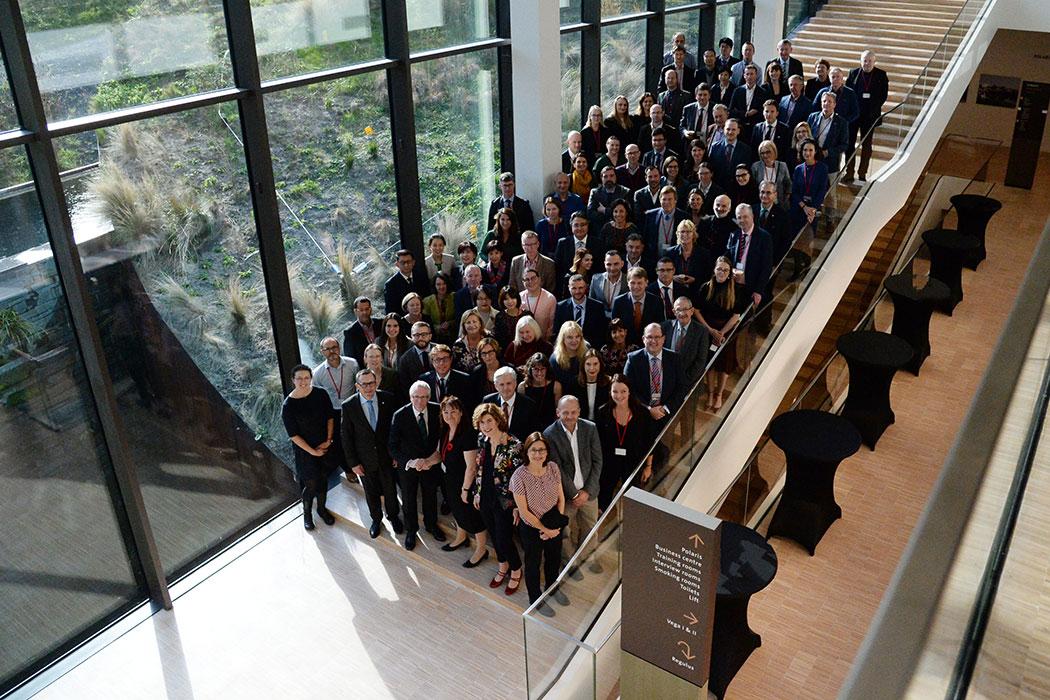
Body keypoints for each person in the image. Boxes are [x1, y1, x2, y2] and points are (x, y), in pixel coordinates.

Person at [542, 396, 603, 576]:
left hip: (589, 491)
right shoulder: (549, 434)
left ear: (579, 412)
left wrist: (587, 491)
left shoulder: (590, 428)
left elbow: (598, 460)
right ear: (558, 412)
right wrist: (575, 495)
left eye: (573, 412)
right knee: (565, 531)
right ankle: (570, 563)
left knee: (590, 527)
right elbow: (557, 468)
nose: (570, 416)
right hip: (566, 495)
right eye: (565, 412)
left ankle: (588, 557)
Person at [510, 432, 566, 613]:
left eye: (542, 450)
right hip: (532, 525)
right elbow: (524, 511)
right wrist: (544, 530)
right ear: (526, 452)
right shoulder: (519, 476)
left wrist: (556, 525)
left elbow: (561, 497)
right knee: (533, 563)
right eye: (534, 450)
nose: (538, 454)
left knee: (554, 558)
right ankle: (535, 598)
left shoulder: (552, 468)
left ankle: (552, 588)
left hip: (552, 520)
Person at [342, 368, 401, 538]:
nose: (368, 387)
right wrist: (353, 463)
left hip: (387, 457)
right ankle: (376, 519)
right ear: (357, 386)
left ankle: (394, 516)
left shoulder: (388, 399)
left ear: (376, 383)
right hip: (364, 460)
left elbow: (395, 430)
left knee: (390, 490)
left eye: (371, 383)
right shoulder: (349, 406)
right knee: (370, 491)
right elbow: (346, 437)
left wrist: (395, 454)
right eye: (364, 384)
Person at [471, 402, 523, 595]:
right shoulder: (482, 439)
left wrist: (517, 506)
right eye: (482, 422)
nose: (486, 426)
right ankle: (503, 565)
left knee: (504, 538)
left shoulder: (514, 445)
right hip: (485, 496)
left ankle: (516, 568)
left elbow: (518, 479)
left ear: (498, 420)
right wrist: (477, 492)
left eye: (489, 421)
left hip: (505, 501)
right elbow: (479, 469)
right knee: (494, 535)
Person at [388, 381, 445, 550]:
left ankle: (431, 525)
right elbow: (392, 446)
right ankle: (412, 530)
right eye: (416, 397)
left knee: (430, 496)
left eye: (424, 397)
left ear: (429, 397)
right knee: (408, 498)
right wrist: (411, 462)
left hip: (430, 464)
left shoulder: (437, 410)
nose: (420, 401)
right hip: (408, 467)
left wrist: (430, 460)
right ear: (410, 397)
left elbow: (442, 437)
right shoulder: (400, 415)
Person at [433, 396, 489, 566]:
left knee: (472, 515)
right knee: (457, 510)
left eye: (453, 411)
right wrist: (426, 462)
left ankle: (481, 549)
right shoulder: (446, 430)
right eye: (445, 411)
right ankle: (461, 537)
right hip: (449, 478)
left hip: (466, 482)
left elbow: (471, 467)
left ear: (461, 413)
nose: (449, 415)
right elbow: (440, 454)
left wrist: (465, 490)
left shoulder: (467, 434)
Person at [282, 364, 337, 531]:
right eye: (299, 378)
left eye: (306, 378)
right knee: (311, 484)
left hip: (324, 446)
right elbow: (294, 436)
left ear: (311, 378)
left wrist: (328, 440)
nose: (303, 381)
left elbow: (330, 417)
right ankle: (307, 514)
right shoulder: (288, 406)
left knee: (323, 480)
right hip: (305, 452)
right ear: (293, 380)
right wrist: (314, 451)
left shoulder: (320, 394)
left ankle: (321, 509)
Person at [595, 374, 654, 511]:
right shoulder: (603, 412)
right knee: (604, 497)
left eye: (623, 391)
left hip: (634, 461)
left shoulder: (642, 413)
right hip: (609, 462)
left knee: (634, 500)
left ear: (629, 392)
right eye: (615, 391)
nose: (619, 395)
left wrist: (648, 466)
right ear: (610, 392)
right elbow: (598, 441)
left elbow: (649, 441)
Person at [694, 256, 745, 409]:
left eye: (725, 270)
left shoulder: (736, 289)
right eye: (719, 269)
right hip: (708, 329)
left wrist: (721, 333)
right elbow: (696, 310)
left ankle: (719, 394)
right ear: (714, 270)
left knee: (724, 365)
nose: (721, 272)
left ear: (729, 272)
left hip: (726, 330)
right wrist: (710, 330)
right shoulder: (705, 287)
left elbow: (736, 315)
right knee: (711, 363)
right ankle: (710, 393)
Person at [312, 336, 359, 479]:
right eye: (327, 349)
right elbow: (318, 398)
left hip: (352, 408)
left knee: (357, 438)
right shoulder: (318, 373)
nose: (332, 352)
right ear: (322, 352)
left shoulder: (352, 364)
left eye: (334, 347)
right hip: (333, 412)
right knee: (339, 443)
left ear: (339, 348)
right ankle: (348, 470)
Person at [623, 323, 686, 427]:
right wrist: (648, 409)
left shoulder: (675, 358)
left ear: (663, 339)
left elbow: (681, 387)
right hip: (640, 414)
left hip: (666, 415)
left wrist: (665, 408)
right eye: (649, 337)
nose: (653, 341)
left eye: (657, 337)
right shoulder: (633, 359)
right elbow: (628, 389)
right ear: (643, 339)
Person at [846, 50, 889, 182]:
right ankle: (849, 172)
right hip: (854, 116)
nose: (867, 63)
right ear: (861, 61)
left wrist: (872, 109)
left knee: (867, 145)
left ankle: (862, 173)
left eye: (870, 60)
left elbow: (883, 96)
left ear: (874, 62)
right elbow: (848, 92)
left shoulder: (881, 75)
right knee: (850, 145)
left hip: (870, 116)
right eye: (865, 60)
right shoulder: (853, 73)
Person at [725, 203, 773, 308]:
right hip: (734, 284)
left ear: (752, 217)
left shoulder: (764, 237)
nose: (742, 220)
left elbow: (766, 267)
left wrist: (758, 291)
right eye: (739, 217)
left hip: (751, 285)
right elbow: (727, 257)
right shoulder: (734, 235)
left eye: (745, 217)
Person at [662, 296, 709, 388]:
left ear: (691, 311)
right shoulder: (665, 326)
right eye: (678, 310)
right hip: (665, 379)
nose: (682, 313)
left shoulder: (701, 331)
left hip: (688, 382)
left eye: (685, 309)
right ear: (674, 312)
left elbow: (701, 360)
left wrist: (686, 379)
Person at [484, 365, 538, 441]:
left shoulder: (529, 405)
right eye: (501, 384)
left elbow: (532, 434)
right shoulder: (488, 401)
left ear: (515, 383)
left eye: (509, 383)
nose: (505, 388)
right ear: (496, 386)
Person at [612, 266, 663, 345]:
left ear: (646, 283)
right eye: (632, 283)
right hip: (626, 346)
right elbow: (615, 328)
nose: (636, 287)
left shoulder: (656, 302)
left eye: (639, 283)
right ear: (628, 283)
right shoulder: (619, 302)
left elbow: (660, 327)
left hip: (649, 346)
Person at [555, 273, 608, 348]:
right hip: (567, 350)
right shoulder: (561, 307)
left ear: (586, 287)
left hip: (590, 350)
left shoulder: (597, 307)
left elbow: (601, 333)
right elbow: (557, 332)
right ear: (569, 288)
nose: (577, 292)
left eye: (580, 288)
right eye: (574, 288)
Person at [790, 138, 830, 235]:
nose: (807, 153)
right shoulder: (798, 169)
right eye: (805, 150)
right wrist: (804, 207)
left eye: (810, 150)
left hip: (813, 209)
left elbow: (822, 191)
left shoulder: (822, 168)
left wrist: (812, 209)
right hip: (799, 208)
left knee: (809, 238)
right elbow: (794, 192)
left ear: (815, 151)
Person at [420, 343, 473, 411]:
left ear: (451, 359)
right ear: (432, 362)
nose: (441, 363)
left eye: (445, 359)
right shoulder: (424, 380)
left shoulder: (464, 379)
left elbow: (468, 406)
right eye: (437, 360)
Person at [806, 91, 849, 172]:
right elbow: (806, 136)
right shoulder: (812, 117)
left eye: (830, 101)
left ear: (834, 104)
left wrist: (827, 152)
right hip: (811, 159)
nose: (826, 103)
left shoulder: (842, 122)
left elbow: (844, 145)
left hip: (830, 163)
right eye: (824, 101)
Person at [667, 219, 711, 296]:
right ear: (677, 234)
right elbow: (664, 272)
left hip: (697, 293)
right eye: (682, 232)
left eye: (688, 232)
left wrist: (695, 280)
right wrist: (673, 277)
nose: (685, 234)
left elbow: (708, 275)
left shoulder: (704, 254)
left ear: (694, 234)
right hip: (675, 293)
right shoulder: (670, 253)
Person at [642, 185, 688, 258]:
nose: (666, 202)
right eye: (664, 199)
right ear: (660, 200)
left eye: (670, 199)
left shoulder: (684, 217)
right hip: (654, 259)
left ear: (675, 200)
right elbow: (645, 239)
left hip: (675, 259)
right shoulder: (650, 215)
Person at [519, 352, 562, 427]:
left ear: (547, 369)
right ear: (530, 369)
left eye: (542, 369)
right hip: (529, 425)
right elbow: (521, 411)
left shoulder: (556, 386)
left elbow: (558, 411)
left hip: (549, 426)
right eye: (536, 369)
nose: (539, 373)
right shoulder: (522, 387)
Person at [730, 64, 769, 141]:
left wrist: (756, 112)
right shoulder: (737, 91)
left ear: (756, 75)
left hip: (755, 128)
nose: (749, 76)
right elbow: (731, 110)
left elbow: (764, 111)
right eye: (747, 74)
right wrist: (745, 113)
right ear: (744, 76)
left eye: (752, 74)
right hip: (739, 127)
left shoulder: (763, 92)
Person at [709, 118, 752, 188]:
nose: (730, 132)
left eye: (733, 129)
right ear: (723, 130)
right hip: (719, 188)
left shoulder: (746, 149)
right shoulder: (714, 147)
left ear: (738, 131)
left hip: (737, 189)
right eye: (728, 129)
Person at [383, 249, 429, 315]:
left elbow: (427, 299)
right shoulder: (390, 284)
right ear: (397, 264)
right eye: (402, 262)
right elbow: (391, 310)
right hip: (402, 321)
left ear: (413, 262)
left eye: (409, 261)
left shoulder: (422, 277)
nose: (406, 265)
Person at [815, 67, 860, 132]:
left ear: (842, 79)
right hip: (824, 125)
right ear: (829, 79)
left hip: (843, 128)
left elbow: (856, 112)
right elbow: (814, 109)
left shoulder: (850, 93)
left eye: (838, 77)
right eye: (833, 77)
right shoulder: (822, 92)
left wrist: (844, 122)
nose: (835, 79)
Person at [395, 321, 433, 398]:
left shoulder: (441, 352)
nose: (420, 338)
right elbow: (405, 388)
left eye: (424, 334)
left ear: (430, 336)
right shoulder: (405, 359)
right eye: (416, 335)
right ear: (411, 337)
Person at [342, 296, 383, 366]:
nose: (364, 312)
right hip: (365, 371)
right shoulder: (350, 332)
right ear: (355, 311)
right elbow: (350, 359)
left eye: (367, 309)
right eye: (361, 310)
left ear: (371, 309)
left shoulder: (381, 323)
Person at [751, 139, 792, 209]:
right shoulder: (756, 167)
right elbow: (753, 187)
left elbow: (788, 185)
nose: (765, 155)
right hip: (761, 204)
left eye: (768, 152)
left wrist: (785, 199)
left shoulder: (782, 165)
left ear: (774, 151)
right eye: (762, 153)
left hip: (779, 205)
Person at [519, 269, 557, 340]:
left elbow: (552, 325)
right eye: (527, 279)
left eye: (533, 278)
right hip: (524, 340)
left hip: (543, 341)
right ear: (523, 282)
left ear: (539, 279)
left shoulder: (550, 298)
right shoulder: (519, 297)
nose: (530, 282)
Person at [589, 248, 627, 318]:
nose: (612, 268)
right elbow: (591, 304)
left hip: (621, 323)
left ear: (622, 264)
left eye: (616, 264)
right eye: (609, 264)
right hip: (600, 321)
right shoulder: (596, 279)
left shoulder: (628, 280)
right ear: (604, 264)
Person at [649, 257, 689, 322]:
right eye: (662, 270)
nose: (665, 273)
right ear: (656, 271)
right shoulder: (649, 290)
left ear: (674, 271)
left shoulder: (683, 290)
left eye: (668, 270)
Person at [550, 321, 587, 391]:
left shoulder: (586, 353)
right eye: (570, 337)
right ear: (563, 339)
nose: (574, 340)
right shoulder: (555, 359)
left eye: (577, 336)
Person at [576, 348, 610, 423]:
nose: (592, 368)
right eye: (588, 364)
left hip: (603, 425)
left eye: (595, 364)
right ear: (583, 365)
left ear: (600, 365)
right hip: (581, 425)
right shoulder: (574, 383)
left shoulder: (609, 383)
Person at [452, 309, 490, 375]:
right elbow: (456, 368)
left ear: (480, 323)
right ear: (464, 325)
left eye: (474, 321)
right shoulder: (458, 345)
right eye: (468, 322)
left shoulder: (489, 339)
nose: (472, 325)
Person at [422, 272, 456, 343]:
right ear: (434, 285)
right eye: (438, 284)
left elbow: (459, 316)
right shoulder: (427, 301)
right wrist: (437, 328)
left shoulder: (455, 297)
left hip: (453, 336)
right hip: (434, 338)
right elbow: (425, 321)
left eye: (444, 283)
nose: (441, 287)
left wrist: (449, 324)